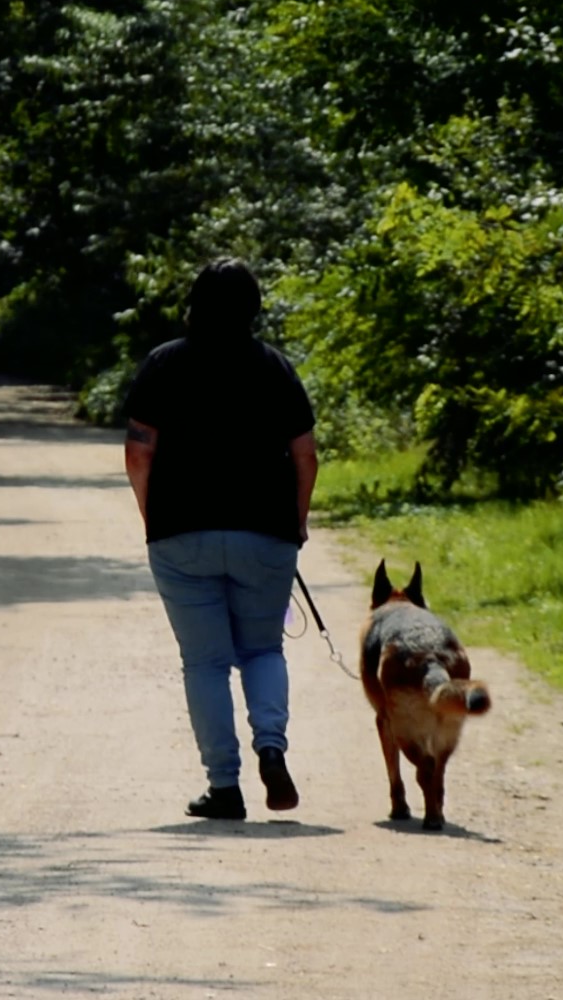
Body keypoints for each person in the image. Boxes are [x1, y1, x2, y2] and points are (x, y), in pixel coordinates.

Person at [122, 258, 318, 820]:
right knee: (262, 648)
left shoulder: (163, 364)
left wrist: (151, 516)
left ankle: (224, 787)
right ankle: (272, 747)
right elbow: (305, 455)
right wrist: (297, 519)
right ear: (255, 307)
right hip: (266, 533)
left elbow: (139, 451)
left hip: (181, 533)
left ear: (195, 303)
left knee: (204, 662)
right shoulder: (275, 369)